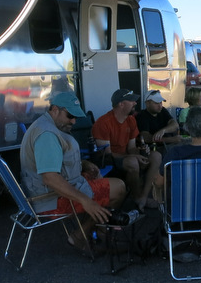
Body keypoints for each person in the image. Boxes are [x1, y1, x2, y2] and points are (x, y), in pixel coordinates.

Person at [20, 92, 126, 252]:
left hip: (49, 191)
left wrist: (83, 164)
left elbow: (54, 162)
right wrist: (86, 201)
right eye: (70, 116)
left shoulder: (46, 125)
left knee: (100, 177)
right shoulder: (47, 135)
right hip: (51, 199)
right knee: (119, 187)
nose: (74, 121)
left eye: (75, 117)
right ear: (55, 109)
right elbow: (50, 178)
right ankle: (84, 234)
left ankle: (93, 229)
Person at [92, 88, 161, 211]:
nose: (135, 103)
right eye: (132, 101)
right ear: (121, 104)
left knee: (156, 156)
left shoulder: (131, 120)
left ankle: (143, 198)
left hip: (127, 157)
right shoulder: (103, 123)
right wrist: (134, 157)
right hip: (110, 161)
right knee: (133, 162)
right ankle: (137, 196)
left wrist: (141, 154)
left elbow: (132, 147)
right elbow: (106, 154)